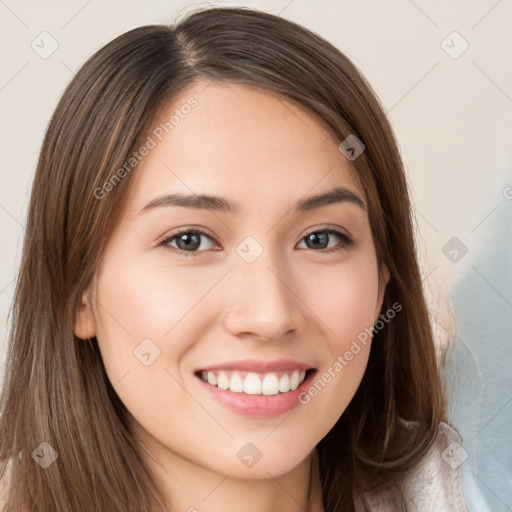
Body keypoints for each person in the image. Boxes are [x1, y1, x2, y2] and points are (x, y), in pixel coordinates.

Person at [0, 6, 468, 511]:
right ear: (79, 291)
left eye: (320, 239)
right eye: (189, 241)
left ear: (383, 281)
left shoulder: (469, 484)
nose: (269, 315)